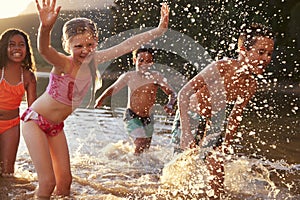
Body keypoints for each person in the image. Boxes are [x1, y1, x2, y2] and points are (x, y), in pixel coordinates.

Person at [21, 0, 169, 198]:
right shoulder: (63, 64)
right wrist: (45, 28)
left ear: (96, 42)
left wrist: (159, 29)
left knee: (65, 184)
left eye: (90, 44)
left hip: (56, 126)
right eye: (78, 45)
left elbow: (128, 44)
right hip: (35, 122)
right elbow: (44, 50)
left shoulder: (96, 59)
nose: (85, 50)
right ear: (67, 46)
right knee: (47, 183)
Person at [175, 23, 275, 197]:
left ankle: (216, 196)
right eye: (260, 52)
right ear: (243, 49)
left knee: (216, 163)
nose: (266, 58)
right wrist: (185, 132)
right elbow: (183, 93)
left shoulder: (250, 85)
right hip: (190, 117)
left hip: (213, 121)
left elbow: (235, 118)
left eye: (269, 54)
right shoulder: (222, 67)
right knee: (183, 167)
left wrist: (226, 144)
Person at [95, 47, 177, 155]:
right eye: (141, 61)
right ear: (135, 61)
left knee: (145, 148)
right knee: (140, 143)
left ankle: (140, 168)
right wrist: (100, 100)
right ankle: (132, 169)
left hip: (148, 118)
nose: (144, 64)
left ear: (152, 63)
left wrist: (170, 104)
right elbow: (111, 89)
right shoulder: (129, 76)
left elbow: (172, 93)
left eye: (148, 61)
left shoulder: (156, 77)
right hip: (131, 115)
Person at [0, 29, 37, 176]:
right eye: (12, 44)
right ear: (4, 48)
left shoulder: (28, 76)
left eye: (21, 45)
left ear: (26, 50)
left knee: (7, 172)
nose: (17, 48)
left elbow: (32, 109)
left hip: (11, 126)